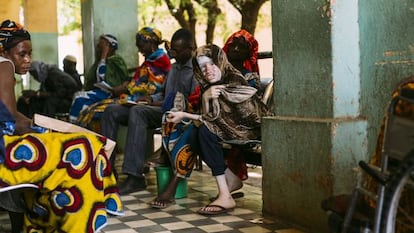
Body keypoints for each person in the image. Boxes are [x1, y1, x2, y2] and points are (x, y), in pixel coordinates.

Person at [0, 19, 122, 232]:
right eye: (22, 54)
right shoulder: (4, 65)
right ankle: (76, 223)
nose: (28, 59)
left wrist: (39, 126)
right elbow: (12, 121)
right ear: (5, 51)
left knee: (59, 144)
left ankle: (30, 221)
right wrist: (46, 130)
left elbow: (12, 116)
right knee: (84, 149)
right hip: (3, 150)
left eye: (30, 54)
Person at [158, 44, 269, 215]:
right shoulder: (209, 86)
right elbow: (212, 117)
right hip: (227, 129)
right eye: (203, 67)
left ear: (220, 61)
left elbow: (232, 119)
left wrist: (186, 114)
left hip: (251, 130)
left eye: (212, 64)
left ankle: (224, 196)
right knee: (197, 131)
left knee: (204, 131)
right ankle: (230, 181)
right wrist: (201, 101)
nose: (208, 70)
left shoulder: (234, 80)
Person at [100, 28, 197, 195]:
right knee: (112, 110)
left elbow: (191, 103)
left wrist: (154, 102)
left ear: (191, 48)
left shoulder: (197, 70)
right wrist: (150, 99)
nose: (172, 53)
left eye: (177, 50)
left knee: (138, 112)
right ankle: (107, 170)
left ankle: (135, 177)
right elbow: (164, 94)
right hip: (163, 109)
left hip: (180, 114)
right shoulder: (174, 68)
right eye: (172, 49)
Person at [76, 27, 171, 130]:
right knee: (91, 109)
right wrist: (127, 84)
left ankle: (103, 143)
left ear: (151, 44)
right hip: (134, 98)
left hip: (145, 102)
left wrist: (127, 88)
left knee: (98, 112)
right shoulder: (150, 60)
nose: (139, 50)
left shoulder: (160, 60)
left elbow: (154, 87)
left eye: (141, 46)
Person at [69, 34, 129, 122]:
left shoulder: (116, 60)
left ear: (110, 47)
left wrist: (104, 56)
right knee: (79, 97)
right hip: (100, 91)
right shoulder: (99, 62)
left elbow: (101, 76)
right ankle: (75, 125)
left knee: (80, 99)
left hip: (110, 93)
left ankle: (73, 126)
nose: (98, 47)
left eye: (101, 45)